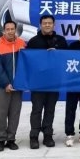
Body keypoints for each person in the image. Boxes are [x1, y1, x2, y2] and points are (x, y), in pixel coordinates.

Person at [26, 14, 68, 149]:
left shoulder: (61, 40)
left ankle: (48, 135)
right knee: (36, 110)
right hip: (37, 83)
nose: (47, 25)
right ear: (40, 25)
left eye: (50, 23)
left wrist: (57, 53)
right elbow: (27, 61)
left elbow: (67, 59)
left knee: (50, 110)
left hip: (54, 82)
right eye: (45, 23)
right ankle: (34, 136)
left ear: (54, 25)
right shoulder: (33, 41)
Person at [0, 20, 26, 152]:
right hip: (3, 87)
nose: (10, 31)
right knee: (1, 114)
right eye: (8, 29)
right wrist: (6, 83)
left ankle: (11, 139)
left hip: (18, 86)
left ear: (15, 30)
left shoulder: (22, 44)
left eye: (13, 29)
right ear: (3, 31)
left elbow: (27, 63)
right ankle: (1, 139)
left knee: (14, 114)